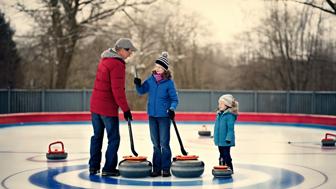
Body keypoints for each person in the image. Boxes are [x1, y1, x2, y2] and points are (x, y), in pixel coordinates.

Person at [89, 38, 137, 177]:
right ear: (121, 49)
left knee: (97, 137)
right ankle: (109, 168)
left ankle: (93, 167)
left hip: (95, 106)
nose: (130, 54)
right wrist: (126, 109)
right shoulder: (117, 64)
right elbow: (118, 91)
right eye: (129, 50)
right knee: (114, 138)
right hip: (107, 108)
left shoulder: (105, 59)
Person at [134, 52, 178, 177]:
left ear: (164, 69)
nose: (157, 69)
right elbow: (141, 91)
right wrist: (138, 84)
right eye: (156, 66)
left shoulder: (169, 83)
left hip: (164, 116)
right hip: (152, 116)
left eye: (160, 67)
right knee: (155, 144)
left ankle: (165, 169)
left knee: (164, 143)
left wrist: (172, 109)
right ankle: (156, 169)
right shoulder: (151, 80)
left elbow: (174, 99)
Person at [213, 94, 238, 173]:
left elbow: (230, 129)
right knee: (221, 154)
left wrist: (228, 138)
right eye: (219, 103)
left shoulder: (229, 116)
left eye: (221, 104)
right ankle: (222, 167)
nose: (219, 105)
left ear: (227, 105)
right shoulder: (219, 115)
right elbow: (217, 128)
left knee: (226, 155)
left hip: (226, 140)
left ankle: (229, 167)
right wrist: (215, 136)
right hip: (220, 140)